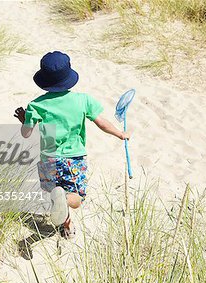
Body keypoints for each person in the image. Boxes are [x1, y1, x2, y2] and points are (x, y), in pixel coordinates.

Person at [14, 51, 129, 238]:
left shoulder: (36, 105)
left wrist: (23, 118)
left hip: (48, 158)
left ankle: (66, 225)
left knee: (54, 193)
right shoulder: (83, 100)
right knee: (76, 197)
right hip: (73, 158)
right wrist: (120, 134)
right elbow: (101, 123)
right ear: (68, 76)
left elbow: (26, 133)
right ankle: (66, 202)